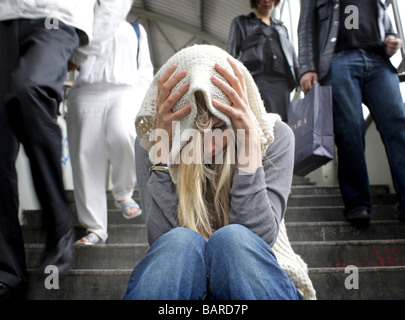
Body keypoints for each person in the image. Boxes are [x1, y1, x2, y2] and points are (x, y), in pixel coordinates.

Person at [123, 44, 316, 300]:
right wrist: (162, 155)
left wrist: (249, 146)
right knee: (179, 242)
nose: (209, 147)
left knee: (233, 240)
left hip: (251, 279)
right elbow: (160, 239)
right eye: (195, 132)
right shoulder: (153, 140)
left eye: (218, 128)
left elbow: (260, 240)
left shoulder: (276, 136)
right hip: (186, 284)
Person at [0, 0, 131, 299]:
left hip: (56, 18)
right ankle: (7, 274)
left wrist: (84, 50)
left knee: (28, 88)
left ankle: (59, 225)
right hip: (4, 19)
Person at [298, 0, 405, 228]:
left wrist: (392, 36)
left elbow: (384, 18)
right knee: (350, 130)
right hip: (338, 60)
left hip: (380, 61)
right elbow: (306, 27)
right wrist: (307, 67)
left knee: (398, 126)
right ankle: (357, 204)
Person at [67, 15, 153, 245]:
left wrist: (144, 102)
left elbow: (145, 69)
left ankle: (123, 192)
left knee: (123, 133)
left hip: (125, 91)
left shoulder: (136, 29)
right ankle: (95, 228)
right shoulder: (83, 21)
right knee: (85, 156)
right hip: (85, 91)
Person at [227, 0, 299, 122]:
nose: (266, 1)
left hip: (283, 83)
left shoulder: (281, 27)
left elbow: (291, 54)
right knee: (265, 120)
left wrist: (300, 77)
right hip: (258, 78)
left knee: (285, 122)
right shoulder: (241, 22)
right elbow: (230, 55)